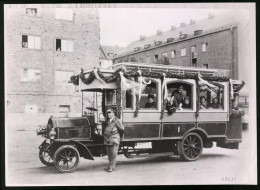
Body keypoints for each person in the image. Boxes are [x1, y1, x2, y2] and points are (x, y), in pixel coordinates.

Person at [104, 108, 124, 172]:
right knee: (109, 154)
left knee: (113, 153)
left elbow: (122, 129)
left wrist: (118, 137)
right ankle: (110, 166)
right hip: (108, 139)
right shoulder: (109, 120)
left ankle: (112, 167)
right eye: (108, 113)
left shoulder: (117, 120)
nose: (108, 114)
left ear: (114, 113)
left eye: (110, 113)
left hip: (114, 139)